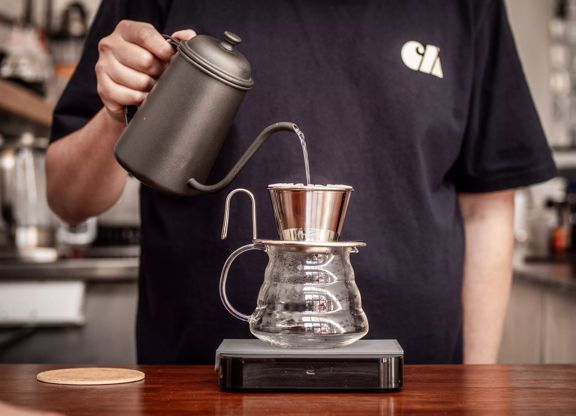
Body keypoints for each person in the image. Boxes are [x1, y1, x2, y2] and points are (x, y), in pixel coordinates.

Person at [46, 0, 557, 364]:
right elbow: (68, 200)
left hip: (419, 387)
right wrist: (119, 112)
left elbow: (488, 208)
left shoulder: (469, 7)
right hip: (196, 387)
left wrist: (477, 389)